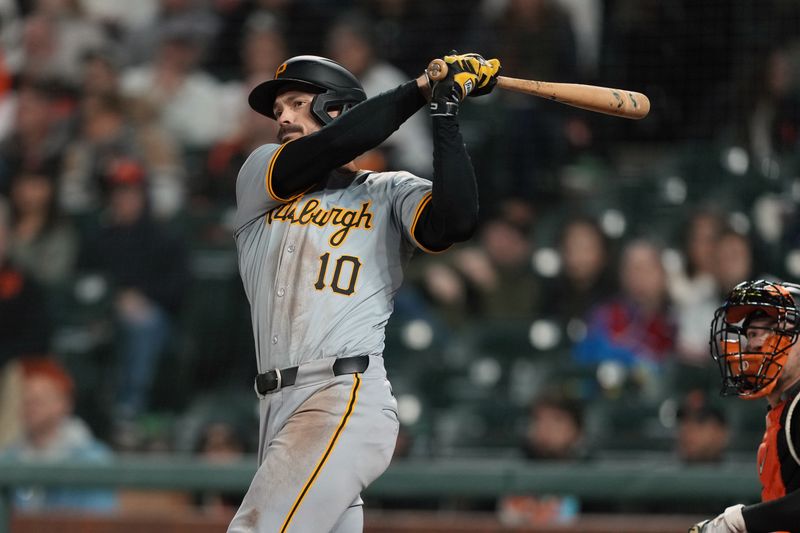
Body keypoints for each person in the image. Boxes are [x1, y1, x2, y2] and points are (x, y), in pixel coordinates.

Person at [229, 53, 500, 532]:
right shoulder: (260, 176)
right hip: (275, 408)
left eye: (296, 103)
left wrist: (444, 111)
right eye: (278, 112)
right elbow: (341, 142)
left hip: (342, 396)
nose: (284, 118)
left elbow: (454, 222)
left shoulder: (389, 190)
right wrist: (421, 88)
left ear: (336, 107)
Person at [689, 279, 800, 533]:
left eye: (772, 330)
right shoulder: (783, 409)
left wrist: (740, 521)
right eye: (752, 333)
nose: (758, 343)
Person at [0, 356, 117, 513]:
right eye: (26, 401)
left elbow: (98, 520)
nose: (30, 407)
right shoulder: (9, 458)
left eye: (38, 401)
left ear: (64, 404)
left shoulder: (93, 459)